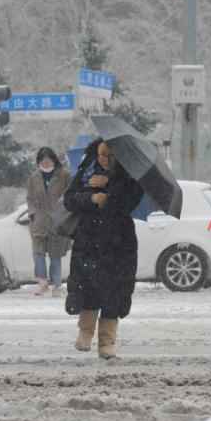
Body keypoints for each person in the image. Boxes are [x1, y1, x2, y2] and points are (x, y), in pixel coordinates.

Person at [63, 138, 144, 359]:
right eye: (101, 154)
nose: (104, 159)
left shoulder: (130, 178)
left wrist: (108, 192)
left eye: (109, 156)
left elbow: (130, 203)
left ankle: (107, 342)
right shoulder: (86, 172)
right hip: (89, 240)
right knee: (88, 286)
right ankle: (85, 332)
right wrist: (91, 197)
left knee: (114, 293)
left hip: (119, 242)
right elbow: (69, 200)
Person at [26, 147, 71, 296]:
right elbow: (30, 198)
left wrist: (63, 211)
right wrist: (32, 213)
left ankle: (56, 285)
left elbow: (70, 194)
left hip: (57, 221)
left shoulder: (64, 175)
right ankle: (42, 283)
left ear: (54, 160)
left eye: (48, 160)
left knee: (55, 255)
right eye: (42, 161)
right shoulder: (34, 177)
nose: (45, 164)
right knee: (38, 254)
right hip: (39, 221)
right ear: (39, 162)